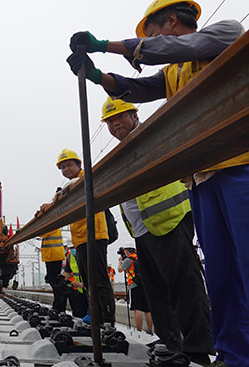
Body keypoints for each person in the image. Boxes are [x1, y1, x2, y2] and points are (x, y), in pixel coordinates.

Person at [67, 1, 246, 362]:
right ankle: (234, 355)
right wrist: (97, 76)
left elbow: (171, 48)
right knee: (223, 275)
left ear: (170, 19)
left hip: (241, 166)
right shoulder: (175, 73)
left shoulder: (226, 33)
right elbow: (140, 87)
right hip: (203, 177)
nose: (149, 45)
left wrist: (105, 45)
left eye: (149, 36)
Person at [98, 97, 214, 364]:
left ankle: (197, 347)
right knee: (156, 289)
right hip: (143, 229)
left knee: (183, 282)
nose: (116, 125)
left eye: (120, 118)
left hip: (169, 218)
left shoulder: (152, 135)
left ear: (134, 116)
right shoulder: (123, 151)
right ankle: (171, 339)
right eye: (110, 122)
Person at [40, 149, 115, 326]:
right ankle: (94, 314)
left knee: (98, 278)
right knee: (88, 280)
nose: (66, 169)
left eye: (69, 165)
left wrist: (56, 198)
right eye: (62, 167)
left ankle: (107, 318)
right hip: (80, 238)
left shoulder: (85, 178)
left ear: (79, 165)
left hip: (94, 234)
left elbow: (74, 185)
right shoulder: (70, 186)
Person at [117, 247, 153, 333]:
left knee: (137, 308)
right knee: (147, 310)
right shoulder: (140, 257)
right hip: (144, 285)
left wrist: (120, 262)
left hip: (134, 286)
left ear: (127, 251)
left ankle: (139, 331)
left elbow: (120, 270)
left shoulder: (129, 260)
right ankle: (150, 330)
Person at [40, 228, 67, 312]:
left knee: (56, 282)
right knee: (54, 281)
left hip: (53, 255)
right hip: (52, 255)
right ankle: (58, 306)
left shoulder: (52, 224)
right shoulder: (52, 224)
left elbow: (41, 231)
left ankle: (59, 307)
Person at [62, 246, 89, 318]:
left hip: (90, 292)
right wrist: (62, 278)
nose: (72, 250)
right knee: (78, 314)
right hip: (80, 291)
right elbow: (67, 272)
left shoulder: (86, 254)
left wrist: (82, 284)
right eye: (70, 248)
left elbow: (94, 275)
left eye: (73, 247)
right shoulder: (70, 257)